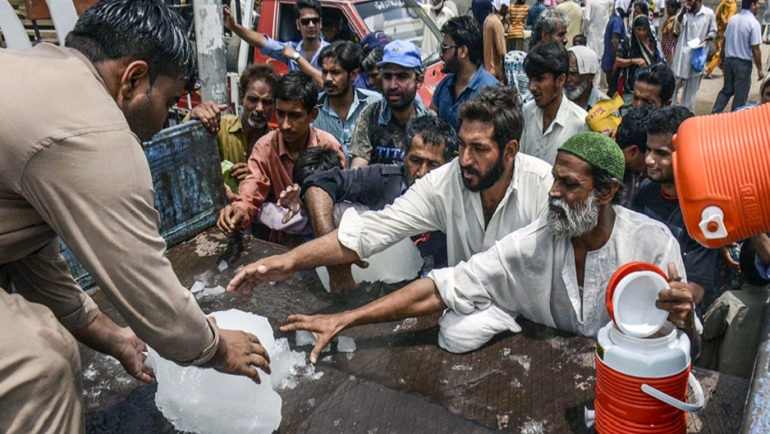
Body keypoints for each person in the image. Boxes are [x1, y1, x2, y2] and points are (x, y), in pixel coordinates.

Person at [0, 1, 271, 431]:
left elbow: (30, 256)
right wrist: (216, 348)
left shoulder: (41, 70)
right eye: (168, 99)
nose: (167, 117)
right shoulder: (92, 128)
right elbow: (145, 284)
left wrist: (115, 337)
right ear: (134, 78)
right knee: (40, 361)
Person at [280, 132, 697, 361]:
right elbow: (443, 286)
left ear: (605, 193)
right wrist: (345, 320)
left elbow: (687, 337)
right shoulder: (536, 242)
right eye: (554, 178)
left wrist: (684, 317)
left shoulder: (651, 243)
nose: (552, 192)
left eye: (569, 185)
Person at [226, 87, 555, 347]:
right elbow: (370, 231)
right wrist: (290, 262)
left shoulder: (543, 188)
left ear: (510, 151)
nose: (465, 160)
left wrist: (348, 317)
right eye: (464, 145)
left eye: (480, 149)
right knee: (455, 335)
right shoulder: (446, 181)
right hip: (470, 305)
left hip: (538, 314)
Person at [282, 116, 458, 294]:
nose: (422, 173)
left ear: (450, 164)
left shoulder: (463, 198)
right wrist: (334, 263)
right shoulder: (387, 179)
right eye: (415, 160)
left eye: (433, 165)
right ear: (404, 154)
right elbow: (319, 184)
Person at [217, 71, 346, 244]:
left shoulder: (329, 146)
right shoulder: (265, 147)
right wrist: (239, 210)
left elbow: (341, 199)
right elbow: (251, 189)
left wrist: (306, 201)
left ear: (313, 115)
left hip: (323, 240)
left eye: (294, 116)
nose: (285, 125)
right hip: (280, 244)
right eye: (280, 114)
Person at [630, 106, 717, 308]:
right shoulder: (646, 189)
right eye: (649, 149)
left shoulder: (704, 211)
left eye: (661, 153)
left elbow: (695, 291)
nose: (649, 160)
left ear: (686, 154)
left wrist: (676, 293)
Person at [186, 64, 279, 198]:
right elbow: (184, 147)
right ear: (241, 98)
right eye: (253, 100)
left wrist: (256, 179)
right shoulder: (220, 127)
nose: (259, 108)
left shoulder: (276, 145)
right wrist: (194, 116)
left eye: (267, 102)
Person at [349, 40, 429, 168]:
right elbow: (357, 169)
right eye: (387, 77)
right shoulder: (371, 116)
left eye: (402, 77)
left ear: (419, 81)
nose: (392, 85)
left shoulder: (430, 122)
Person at [699, 240, 770, 378]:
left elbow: (704, 331)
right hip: (757, 381)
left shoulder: (729, 301)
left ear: (740, 266)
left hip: (723, 376)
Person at [223, 0, 328, 89]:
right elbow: (262, 42)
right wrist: (234, 26)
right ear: (298, 24)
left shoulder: (331, 51)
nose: (311, 25)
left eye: (315, 21)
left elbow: (324, 83)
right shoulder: (291, 48)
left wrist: (296, 57)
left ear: (321, 23)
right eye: (305, 22)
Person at [520, 42, 590, 165]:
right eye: (530, 79)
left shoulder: (580, 123)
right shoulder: (527, 111)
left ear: (561, 80)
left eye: (539, 79)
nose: (531, 87)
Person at [312, 41, 382, 160]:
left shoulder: (375, 103)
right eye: (324, 72)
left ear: (353, 74)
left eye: (335, 72)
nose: (328, 79)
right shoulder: (313, 108)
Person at [431, 16, 500, 132]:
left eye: (444, 48)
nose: (440, 55)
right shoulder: (444, 85)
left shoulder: (492, 92)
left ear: (462, 52)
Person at [712, 0, 764, 113]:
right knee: (741, 94)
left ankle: (714, 113)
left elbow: (724, 41)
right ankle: (735, 119)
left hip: (729, 61)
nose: (759, 6)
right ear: (752, 5)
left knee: (726, 90)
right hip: (743, 63)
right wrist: (760, 69)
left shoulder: (733, 20)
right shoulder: (753, 23)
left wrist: (721, 58)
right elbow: (756, 49)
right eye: (757, 3)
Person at [670, 0, 716, 112]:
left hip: (697, 57)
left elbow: (713, 32)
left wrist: (704, 39)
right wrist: (682, 12)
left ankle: (685, 117)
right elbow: (677, 24)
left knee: (690, 94)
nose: (688, 2)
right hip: (681, 57)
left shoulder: (708, 14)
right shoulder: (685, 13)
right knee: (672, 88)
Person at [615, 15, 665, 112]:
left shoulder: (652, 42)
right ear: (634, 29)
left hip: (649, 84)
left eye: (644, 29)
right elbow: (618, 61)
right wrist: (633, 61)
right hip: (630, 86)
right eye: (638, 29)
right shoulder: (627, 42)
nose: (641, 33)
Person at [615, 105, 655, 204]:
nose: (652, 161)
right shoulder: (603, 179)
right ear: (633, 152)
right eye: (650, 152)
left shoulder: (630, 173)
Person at [566, 45, 612, 111]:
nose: (567, 79)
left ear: (590, 76)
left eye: (573, 74)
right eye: (565, 73)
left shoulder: (606, 108)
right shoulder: (557, 103)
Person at [583, 0, 614, 87]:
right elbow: (611, 15)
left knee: (592, 58)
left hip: (592, 32)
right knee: (602, 56)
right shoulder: (608, 1)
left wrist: (585, 31)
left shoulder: (590, 1)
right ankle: (603, 83)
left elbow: (586, 18)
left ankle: (594, 84)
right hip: (604, 32)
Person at [704, 0, 738, 77]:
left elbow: (717, 14)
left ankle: (724, 70)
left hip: (719, 29)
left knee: (724, 52)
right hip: (725, 32)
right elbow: (730, 20)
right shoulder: (733, 6)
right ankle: (709, 69)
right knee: (720, 52)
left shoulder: (723, 2)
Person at [602, 6, 627, 96]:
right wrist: (616, 61)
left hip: (609, 60)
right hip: (612, 62)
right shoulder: (617, 21)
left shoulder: (616, 19)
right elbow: (614, 41)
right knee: (613, 92)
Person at [483, 0, 509, 81]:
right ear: (502, 7)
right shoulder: (497, 24)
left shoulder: (488, 19)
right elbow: (502, 51)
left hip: (487, 70)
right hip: (495, 73)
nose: (508, 9)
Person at [661, 0, 683, 66]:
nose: (667, 10)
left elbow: (674, 33)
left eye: (669, 8)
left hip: (671, 46)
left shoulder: (675, 20)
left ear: (674, 9)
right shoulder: (669, 18)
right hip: (665, 44)